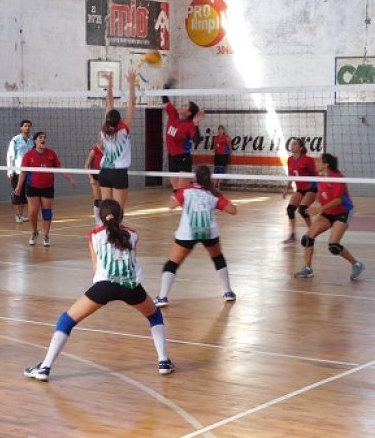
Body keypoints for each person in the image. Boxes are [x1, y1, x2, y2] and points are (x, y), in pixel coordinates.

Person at [24, 199, 174, 382]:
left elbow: (96, 268)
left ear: (100, 217)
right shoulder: (133, 234)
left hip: (104, 286)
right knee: (155, 316)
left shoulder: (94, 235)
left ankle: (45, 367)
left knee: (66, 321)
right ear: (121, 215)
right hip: (131, 286)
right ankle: (163, 361)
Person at [154, 165, 237, 307]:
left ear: (195, 177)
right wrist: (219, 200)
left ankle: (162, 297)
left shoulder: (185, 191)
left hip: (188, 232)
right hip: (209, 231)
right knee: (218, 258)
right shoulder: (214, 194)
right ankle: (228, 292)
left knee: (172, 264)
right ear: (209, 178)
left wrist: (178, 193)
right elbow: (233, 210)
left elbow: (171, 205)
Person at [293, 153, 365, 280]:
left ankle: (357, 264)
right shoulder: (319, 178)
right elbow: (315, 193)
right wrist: (306, 206)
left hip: (343, 212)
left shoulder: (337, 178)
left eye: (319, 162)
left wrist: (318, 209)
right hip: (328, 212)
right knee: (307, 239)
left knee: (333, 246)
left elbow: (338, 200)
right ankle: (307, 269)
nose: (316, 164)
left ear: (326, 164)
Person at [14, 132, 77, 247]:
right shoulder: (29, 154)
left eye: (44, 138)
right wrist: (18, 187)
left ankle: (46, 235)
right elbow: (23, 172)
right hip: (32, 186)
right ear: (35, 141)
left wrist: (70, 178)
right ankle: (34, 232)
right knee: (33, 212)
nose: (43, 139)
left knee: (47, 212)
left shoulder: (51, 154)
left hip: (47, 186)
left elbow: (59, 168)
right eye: (40, 137)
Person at [98, 69, 137, 208]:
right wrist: (131, 83)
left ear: (107, 119)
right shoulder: (123, 129)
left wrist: (109, 83)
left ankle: (105, 224)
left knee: (106, 209)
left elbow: (109, 101)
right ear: (119, 120)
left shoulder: (104, 129)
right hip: (119, 173)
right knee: (118, 211)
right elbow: (132, 103)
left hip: (104, 172)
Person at [162, 80, 205, 190]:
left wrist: (196, 124)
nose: (182, 106)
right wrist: (166, 88)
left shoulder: (189, 125)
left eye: (185, 106)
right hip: (171, 157)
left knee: (182, 191)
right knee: (176, 190)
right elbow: (165, 100)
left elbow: (196, 141)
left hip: (183, 158)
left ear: (189, 113)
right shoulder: (173, 115)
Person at [282, 138, 317, 244]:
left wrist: (319, 190)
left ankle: (312, 232)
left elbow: (316, 175)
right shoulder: (290, 159)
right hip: (300, 189)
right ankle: (292, 235)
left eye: (295, 144)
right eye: (292, 144)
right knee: (290, 210)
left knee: (302, 210)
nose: (292, 146)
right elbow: (291, 175)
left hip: (311, 189)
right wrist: (287, 188)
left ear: (301, 147)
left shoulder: (308, 160)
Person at [7, 119, 34, 223]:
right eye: (25, 126)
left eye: (29, 126)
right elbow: (10, 156)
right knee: (17, 192)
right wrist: (9, 169)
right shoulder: (15, 140)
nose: (27, 128)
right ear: (21, 128)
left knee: (24, 194)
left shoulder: (33, 140)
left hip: (29, 171)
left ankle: (21, 215)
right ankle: (17, 215)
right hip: (17, 170)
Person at [84, 140, 104, 226]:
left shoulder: (108, 150)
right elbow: (86, 166)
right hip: (95, 177)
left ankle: (104, 219)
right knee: (98, 200)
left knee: (106, 200)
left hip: (105, 176)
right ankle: (97, 221)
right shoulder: (94, 150)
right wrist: (91, 178)